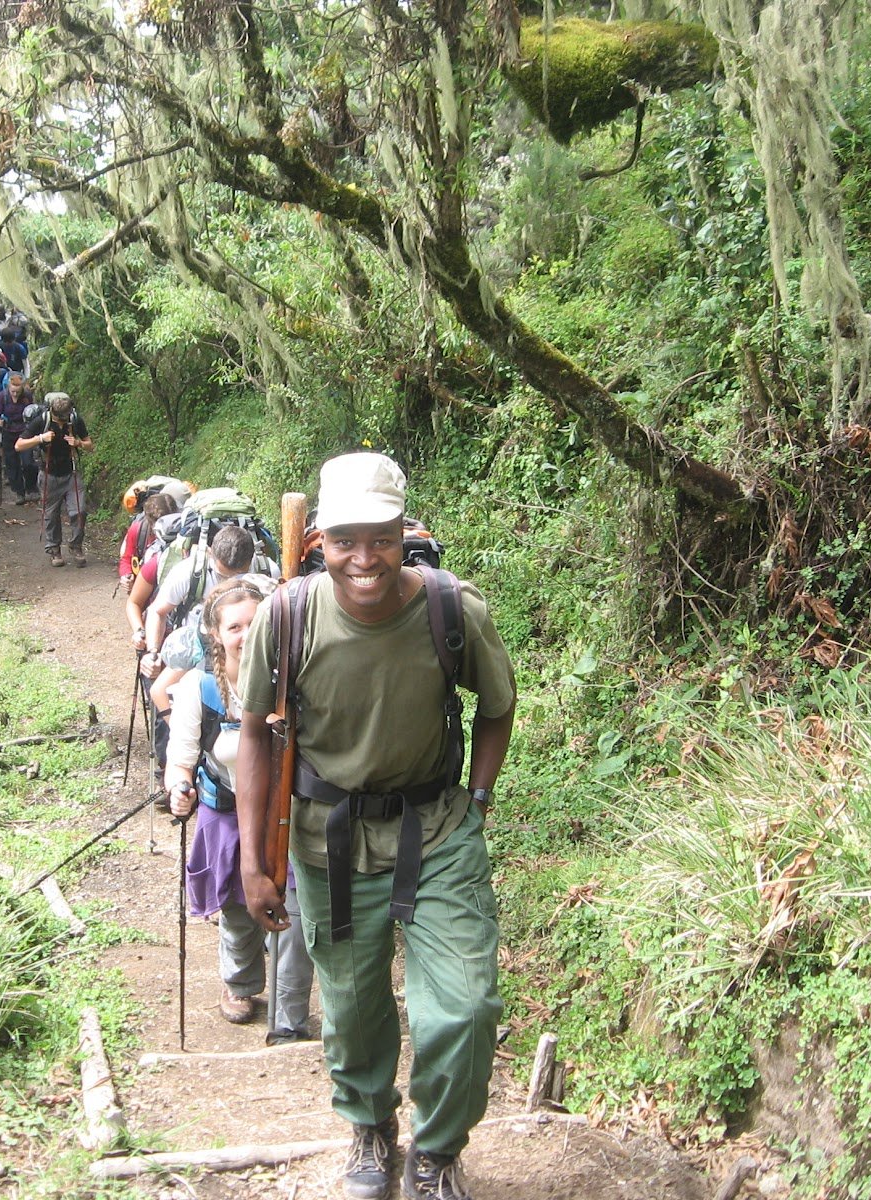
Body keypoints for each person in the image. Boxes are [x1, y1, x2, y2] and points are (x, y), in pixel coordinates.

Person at [234, 452, 517, 1200]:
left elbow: (496, 707)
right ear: (318, 539)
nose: (365, 558)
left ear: (405, 532)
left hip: (438, 830)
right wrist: (253, 861)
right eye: (346, 539)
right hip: (329, 838)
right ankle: (368, 1127)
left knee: (466, 1003)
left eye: (382, 538)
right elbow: (255, 732)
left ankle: (437, 1149)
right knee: (354, 1009)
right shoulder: (286, 617)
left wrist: (478, 803)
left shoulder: (450, 612)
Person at [166, 577, 315, 1038]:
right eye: (235, 626)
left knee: (296, 912)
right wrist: (179, 786)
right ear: (215, 633)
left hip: (286, 813)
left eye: (255, 623)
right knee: (236, 906)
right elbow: (181, 755)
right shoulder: (199, 688)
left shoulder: (291, 683)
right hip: (224, 810)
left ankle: (290, 1013)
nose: (246, 634)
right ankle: (241, 984)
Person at [142, 525, 261, 667]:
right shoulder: (187, 572)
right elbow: (157, 610)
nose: (228, 583)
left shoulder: (266, 571)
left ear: (251, 561)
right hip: (196, 653)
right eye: (221, 575)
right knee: (158, 690)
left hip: (250, 652)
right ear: (210, 553)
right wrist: (153, 652)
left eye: (238, 576)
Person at [17, 392, 92, 567]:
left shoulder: (75, 420)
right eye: (59, 419)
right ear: (52, 412)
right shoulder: (42, 420)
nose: (61, 423)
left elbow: (90, 445)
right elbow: (19, 445)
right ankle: (54, 549)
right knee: (51, 514)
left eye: (64, 419)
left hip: (71, 472)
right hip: (49, 474)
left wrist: (79, 443)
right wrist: (40, 438)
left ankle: (76, 545)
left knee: (79, 511)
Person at [120, 491, 180, 592]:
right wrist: (126, 575)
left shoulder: (186, 532)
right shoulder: (137, 530)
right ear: (149, 520)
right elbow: (127, 559)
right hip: (144, 590)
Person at [0, 370, 37, 504]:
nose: (15, 394)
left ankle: (31, 487)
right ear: (8, 387)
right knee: (12, 464)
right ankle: (19, 492)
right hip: (8, 431)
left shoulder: (27, 396)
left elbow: (33, 412)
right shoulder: (2, 396)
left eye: (17, 391)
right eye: (13, 391)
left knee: (28, 462)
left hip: (24, 432)